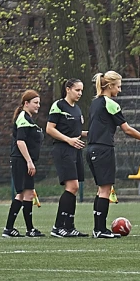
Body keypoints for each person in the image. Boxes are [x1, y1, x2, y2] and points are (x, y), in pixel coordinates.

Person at [86, 71, 140, 238]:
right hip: (103, 149)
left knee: (100, 190)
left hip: (91, 149)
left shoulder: (95, 103)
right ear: (109, 86)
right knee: (105, 190)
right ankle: (101, 230)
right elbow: (127, 129)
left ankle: (98, 229)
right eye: (118, 86)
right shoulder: (110, 104)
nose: (120, 90)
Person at [47, 79, 88, 238]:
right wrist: (68, 139)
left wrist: (92, 134)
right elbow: (50, 129)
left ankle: (69, 227)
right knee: (72, 187)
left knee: (75, 188)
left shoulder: (77, 109)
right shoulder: (58, 105)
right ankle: (58, 227)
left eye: (81, 90)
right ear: (68, 89)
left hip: (75, 150)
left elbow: (77, 132)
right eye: (77, 90)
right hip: (63, 149)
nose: (80, 93)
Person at [2, 90, 44, 238]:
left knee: (28, 193)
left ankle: (30, 229)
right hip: (21, 160)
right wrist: (29, 161)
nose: (38, 105)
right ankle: (8, 228)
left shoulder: (29, 118)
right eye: (35, 103)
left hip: (26, 161)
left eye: (39, 102)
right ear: (26, 103)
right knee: (21, 193)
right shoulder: (23, 118)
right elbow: (20, 141)